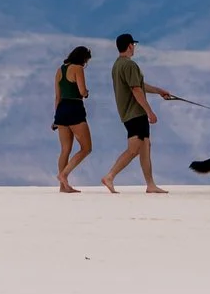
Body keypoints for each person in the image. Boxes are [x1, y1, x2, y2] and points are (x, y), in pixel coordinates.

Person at [98, 32, 175, 194]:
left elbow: (139, 84)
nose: (134, 48)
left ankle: (151, 184)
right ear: (130, 46)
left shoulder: (118, 65)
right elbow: (136, 90)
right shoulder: (130, 65)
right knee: (134, 149)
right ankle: (110, 176)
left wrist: (159, 91)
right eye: (133, 45)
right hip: (135, 113)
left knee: (145, 146)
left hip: (128, 113)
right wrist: (150, 112)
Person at [51, 45, 93, 193]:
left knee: (65, 150)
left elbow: (57, 96)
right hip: (75, 108)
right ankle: (64, 174)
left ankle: (63, 186)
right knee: (86, 147)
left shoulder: (59, 70)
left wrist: (56, 117)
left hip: (61, 110)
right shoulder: (77, 68)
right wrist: (86, 93)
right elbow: (82, 91)